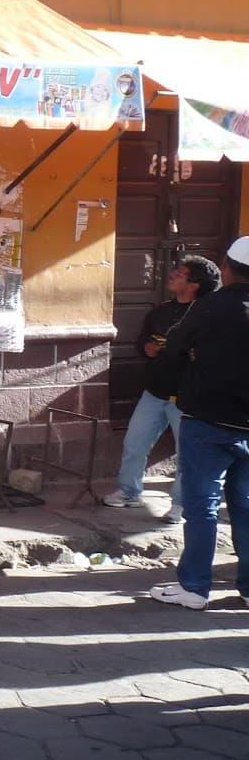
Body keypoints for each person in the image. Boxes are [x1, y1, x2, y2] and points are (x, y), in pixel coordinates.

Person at [145, 236, 249, 610]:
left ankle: (194, 587)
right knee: (246, 506)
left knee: (202, 507)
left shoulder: (209, 308)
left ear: (225, 268)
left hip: (207, 422)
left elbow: (172, 349)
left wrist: (190, 360)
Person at [103, 254, 220, 519]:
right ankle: (129, 491)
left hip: (187, 396)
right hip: (154, 391)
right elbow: (142, 338)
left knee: (186, 453)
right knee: (135, 442)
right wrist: (146, 348)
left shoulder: (208, 315)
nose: (173, 274)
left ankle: (181, 502)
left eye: (180, 273)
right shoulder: (161, 311)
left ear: (193, 285)